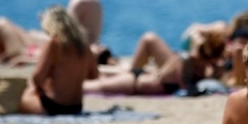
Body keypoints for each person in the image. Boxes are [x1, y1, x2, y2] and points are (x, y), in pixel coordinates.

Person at [83, 30, 224, 95]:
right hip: (135, 83)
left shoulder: (196, 64)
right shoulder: (186, 61)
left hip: (142, 79)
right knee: (90, 86)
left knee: (96, 82)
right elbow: (186, 88)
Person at [18, 5, 99, 115]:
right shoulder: (83, 45)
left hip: (54, 106)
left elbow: (38, 79)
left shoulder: (54, 43)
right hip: (76, 107)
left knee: (27, 93)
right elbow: (94, 75)